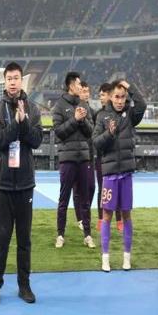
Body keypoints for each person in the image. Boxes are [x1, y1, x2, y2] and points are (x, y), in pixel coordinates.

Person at [0, 62, 43, 305]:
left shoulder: (33, 108)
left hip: (25, 183)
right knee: (2, 238)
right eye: (9, 78)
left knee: (24, 239)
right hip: (3, 184)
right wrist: (16, 123)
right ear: (5, 81)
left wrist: (25, 122)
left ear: (22, 80)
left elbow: (37, 140)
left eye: (16, 77)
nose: (13, 82)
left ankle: (24, 285)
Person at [93, 79, 146, 272]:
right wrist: (109, 133)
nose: (120, 100)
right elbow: (96, 142)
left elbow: (142, 104)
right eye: (116, 96)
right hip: (109, 174)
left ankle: (126, 257)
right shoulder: (101, 116)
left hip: (126, 173)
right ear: (110, 97)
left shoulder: (130, 114)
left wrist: (130, 87)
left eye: (123, 97)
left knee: (126, 215)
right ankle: (105, 258)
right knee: (107, 215)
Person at [53, 71, 95, 249]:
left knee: (85, 199)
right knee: (64, 199)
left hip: (83, 159)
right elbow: (59, 132)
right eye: (78, 84)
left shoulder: (83, 104)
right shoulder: (59, 106)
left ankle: (88, 235)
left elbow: (91, 131)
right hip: (67, 159)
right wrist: (75, 119)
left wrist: (82, 120)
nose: (81, 87)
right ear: (71, 86)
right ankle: (60, 235)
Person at [95, 83, 123, 233]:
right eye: (100, 95)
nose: (101, 98)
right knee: (102, 189)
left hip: (117, 158)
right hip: (102, 157)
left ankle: (119, 220)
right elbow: (95, 138)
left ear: (110, 96)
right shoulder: (99, 115)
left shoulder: (121, 113)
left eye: (103, 95)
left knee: (119, 189)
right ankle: (101, 219)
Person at [72, 81, 96, 237]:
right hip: (77, 154)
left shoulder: (92, 111)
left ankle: (84, 212)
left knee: (91, 187)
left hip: (90, 153)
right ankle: (80, 218)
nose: (85, 94)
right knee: (77, 188)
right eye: (83, 91)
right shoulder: (75, 109)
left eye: (87, 91)